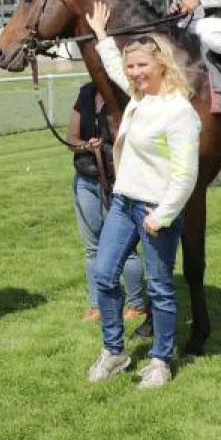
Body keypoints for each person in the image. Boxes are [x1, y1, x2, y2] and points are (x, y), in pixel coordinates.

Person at [84, 2, 201, 389]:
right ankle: (114, 351)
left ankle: (161, 360)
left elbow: (186, 175)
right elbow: (116, 69)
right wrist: (102, 36)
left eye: (142, 66)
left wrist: (163, 214)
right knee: (104, 275)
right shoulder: (139, 98)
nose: (134, 73)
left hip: (155, 210)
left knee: (160, 287)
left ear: (161, 65)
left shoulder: (178, 111)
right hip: (123, 202)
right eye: (132, 67)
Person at [67, 82, 147, 323]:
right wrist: (84, 146)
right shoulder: (86, 93)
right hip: (86, 178)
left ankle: (136, 303)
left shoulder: (129, 94)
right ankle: (97, 305)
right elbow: (71, 137)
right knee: (93, 248)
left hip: (120, 183)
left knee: (126, 248)